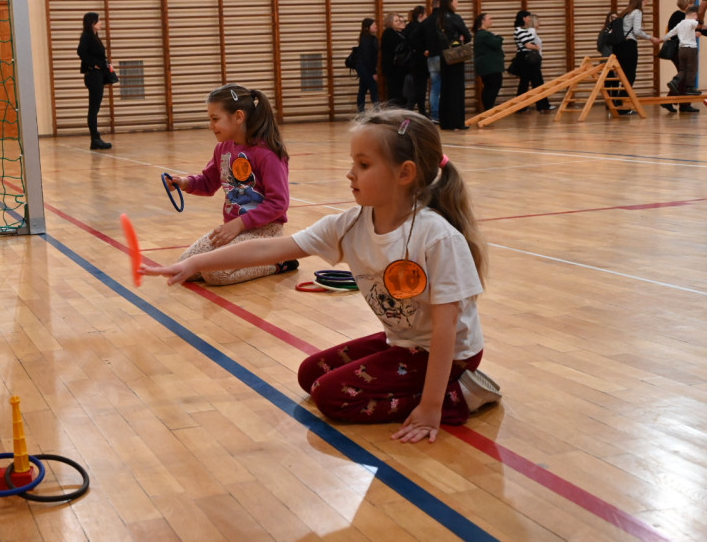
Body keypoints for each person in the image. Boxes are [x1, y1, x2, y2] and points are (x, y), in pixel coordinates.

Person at [145, 108, 501, 443]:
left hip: (451, 355)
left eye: (363, 165)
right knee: (310, 374)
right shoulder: (351, 224)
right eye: (353, 163)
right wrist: (196, 263)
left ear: (404, 174)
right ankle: (425, 386)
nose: (350, 173)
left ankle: (463, 394)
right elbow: (271, 249)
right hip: (405, 341)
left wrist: (431, 408)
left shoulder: (436, 237)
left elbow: (446, 330)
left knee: (333, 397)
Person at [163, 84, 297, 285]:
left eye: (215, 119)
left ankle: (277, 261)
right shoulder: (222, 149)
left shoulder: (267, 154)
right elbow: (208, 183)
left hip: (264, 231)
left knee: (215, 274)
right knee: (186, 268)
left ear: (238, 117)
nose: (211, 125)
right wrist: (183, 182)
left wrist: (239, 224)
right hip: (234, 229)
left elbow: (278, 204)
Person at [614, 0, 662, 115]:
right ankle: (621, 104)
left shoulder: (626, 12)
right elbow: (637, 31)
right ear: (640, 1)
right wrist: (651, 38)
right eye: (646, 1)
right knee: (630, 75)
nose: (646, 4)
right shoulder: (637, 12)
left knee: (623, 75)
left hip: (619, 46)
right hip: (629, 45)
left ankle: (619, 102)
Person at [76, 11, 113, 149]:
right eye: (99, 20)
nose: (101, 22)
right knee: (93, 109)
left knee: (95, 108)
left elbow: (98, 54)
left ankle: (95, 139)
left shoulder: (94, 36)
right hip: (93, 75)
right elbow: (80, 51)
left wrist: (106, 63)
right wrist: (93, 64)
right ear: (92, 23)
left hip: (97, 74)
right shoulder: (87, 36)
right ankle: (95, 138)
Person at [435, 0, 472, 130]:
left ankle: (446, 122)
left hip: (444, 56)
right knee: (457, 89)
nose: (458, 2)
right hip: (456, 56)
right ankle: (458, 121)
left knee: (445, 89)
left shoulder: (439, 18)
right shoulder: (455, 17)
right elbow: (467, 35)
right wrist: (462, 38)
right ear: (450, 2)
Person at [660, 4, 701, 113]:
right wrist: (701, 26)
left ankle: (675, 80)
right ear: (694, 14)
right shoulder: (692, 22)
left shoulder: (680, 24)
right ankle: (690, 88)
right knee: (692, 70)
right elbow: (700, 26)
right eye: (698, 16)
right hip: (690, 49)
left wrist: (661, 40)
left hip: (681, 49)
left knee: (683, 70)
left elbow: (670, 33)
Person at [511, 10, 552, 113]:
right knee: (531, 82)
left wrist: (534, 46)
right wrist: (536, 47)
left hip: (530, 57)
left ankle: (539, 106)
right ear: (524, 18)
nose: (529, 19)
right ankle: (525, 106)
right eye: (528, 17)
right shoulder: (519, 30)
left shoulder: (526, 30)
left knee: (532, 82)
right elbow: (528, 45)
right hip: (525, 58)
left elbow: (531, 43)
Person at [472, 13, 505, 112]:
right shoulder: (483, 34)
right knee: (492, 86)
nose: (492, 20)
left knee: (489, 87)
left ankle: (488, 108)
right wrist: (498, 37)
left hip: (488, 66)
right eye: (489, 19)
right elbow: (496, 43)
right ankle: (488, 108)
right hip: (490, 66)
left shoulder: (483, 34)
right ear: (483, 21)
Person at [403, 5, 430, 116]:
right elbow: (414, 41)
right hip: (419, 61)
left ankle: (416, 110)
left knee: (416, 87)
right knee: (420, 88)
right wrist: (422, 50)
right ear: (421, 15)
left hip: (411, 62)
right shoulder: (419, 27)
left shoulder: (409, 27)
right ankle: (419, 110)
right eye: (425, 14)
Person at [421, 0, 443, 123]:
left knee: (435, 87)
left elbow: (418, 37)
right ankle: (445, 112)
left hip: (432, 56)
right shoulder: (444, 19)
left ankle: (435, 115)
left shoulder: (427, 21)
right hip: (445, 56)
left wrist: (425, 49)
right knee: (446, 85)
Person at [380, 12, 409, 106]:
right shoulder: (389, 32)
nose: (398, 22)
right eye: (396, 21)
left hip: (397, 68)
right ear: (390, 22)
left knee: (399, 91)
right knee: (395, 92)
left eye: (399, 20)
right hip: (393, 68)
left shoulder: (397, 33)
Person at [597, 11, 625, 109]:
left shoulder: (619, 32)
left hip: (616, 59)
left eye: (615, 18)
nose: (613, 20)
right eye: (611, 18)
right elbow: (599, 45)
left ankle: (615, 101)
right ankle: (608, 102)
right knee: (608, 82)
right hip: (606, 59)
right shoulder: (604, 31)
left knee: (616, 82)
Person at [354, 18, 380, 111]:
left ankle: (361, 111)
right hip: (365, 68)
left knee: (363, 89)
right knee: (373, 88)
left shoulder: (369, 38)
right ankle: (377, 110)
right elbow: (367, 57)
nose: (376, 26)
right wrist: (373, 71)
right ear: (367, 28)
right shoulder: (366, 39)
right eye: (374, 25)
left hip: (364, 68)